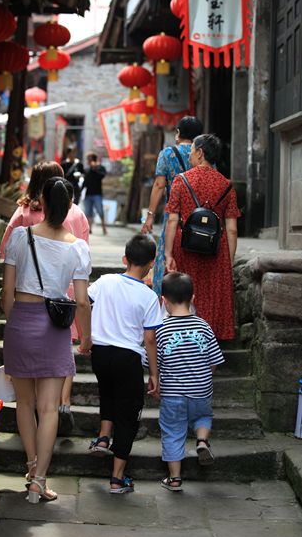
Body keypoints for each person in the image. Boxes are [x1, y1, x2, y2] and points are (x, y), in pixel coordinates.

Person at [1, 177, 92, 503]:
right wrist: (86, 338)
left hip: (20, 323)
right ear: (69, 206)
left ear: (41, 200)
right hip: (54, 328)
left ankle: (31, 466)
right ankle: (40, 480)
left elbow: (6, 294)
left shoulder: (20, 237)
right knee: (49, 408)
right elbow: (81, 302)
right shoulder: (77, 247)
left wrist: (16, 323)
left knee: (24, 404)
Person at [79, 234, 162, 494]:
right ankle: (117, 478)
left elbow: (83, 303)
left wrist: (86, 338)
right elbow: (150, 339)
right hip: (128, 358)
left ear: (125, 259)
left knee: (108, 393)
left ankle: (103, 438)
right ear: (152, 263)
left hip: (101, 354)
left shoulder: (105, 282)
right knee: (128, 416)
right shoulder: (149, 296)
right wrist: (154, 373)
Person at [164, 134, 240, 341]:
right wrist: (229, 259)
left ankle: (182, 340)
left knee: (185, 290)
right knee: (211, 294)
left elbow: (172, 220)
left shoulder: (181, 180)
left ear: (200, 153)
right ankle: (209, 342)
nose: (189, 155)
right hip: (216, 248)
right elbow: (232, 229)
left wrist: (168, 253)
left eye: (191, 151)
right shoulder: (226, 185)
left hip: (185, 245)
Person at [156, 272, 224, 492]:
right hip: (201, 390)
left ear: (164, 300)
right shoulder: (203, 326)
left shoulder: (161, 329)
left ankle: (175, 479)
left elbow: (151, 362)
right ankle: (202, 441)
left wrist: (157, 379)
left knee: (172, 431)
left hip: (172, 394)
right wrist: (205, 376)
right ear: (193, 298)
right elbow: (214, 360)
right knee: (203, 416)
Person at [142, 116, 203, 297]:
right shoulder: (205, 154)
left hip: (174, 214)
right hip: (199, 215)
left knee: (167, 255)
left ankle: (163, 300)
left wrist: (150, 215)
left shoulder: (167, 154)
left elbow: (159, 185)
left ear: (178, 133)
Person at [82, 152, 108, 235]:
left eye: (89, 159)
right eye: (88, 159)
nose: (88, 161)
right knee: (88, 212)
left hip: (97, 194)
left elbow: (102, 176)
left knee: (100, 211)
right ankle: (89, 229)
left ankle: (104, 228)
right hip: (88, 194)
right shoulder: (87, 170)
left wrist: (95, 168)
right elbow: (85, 182)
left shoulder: (100, 168)